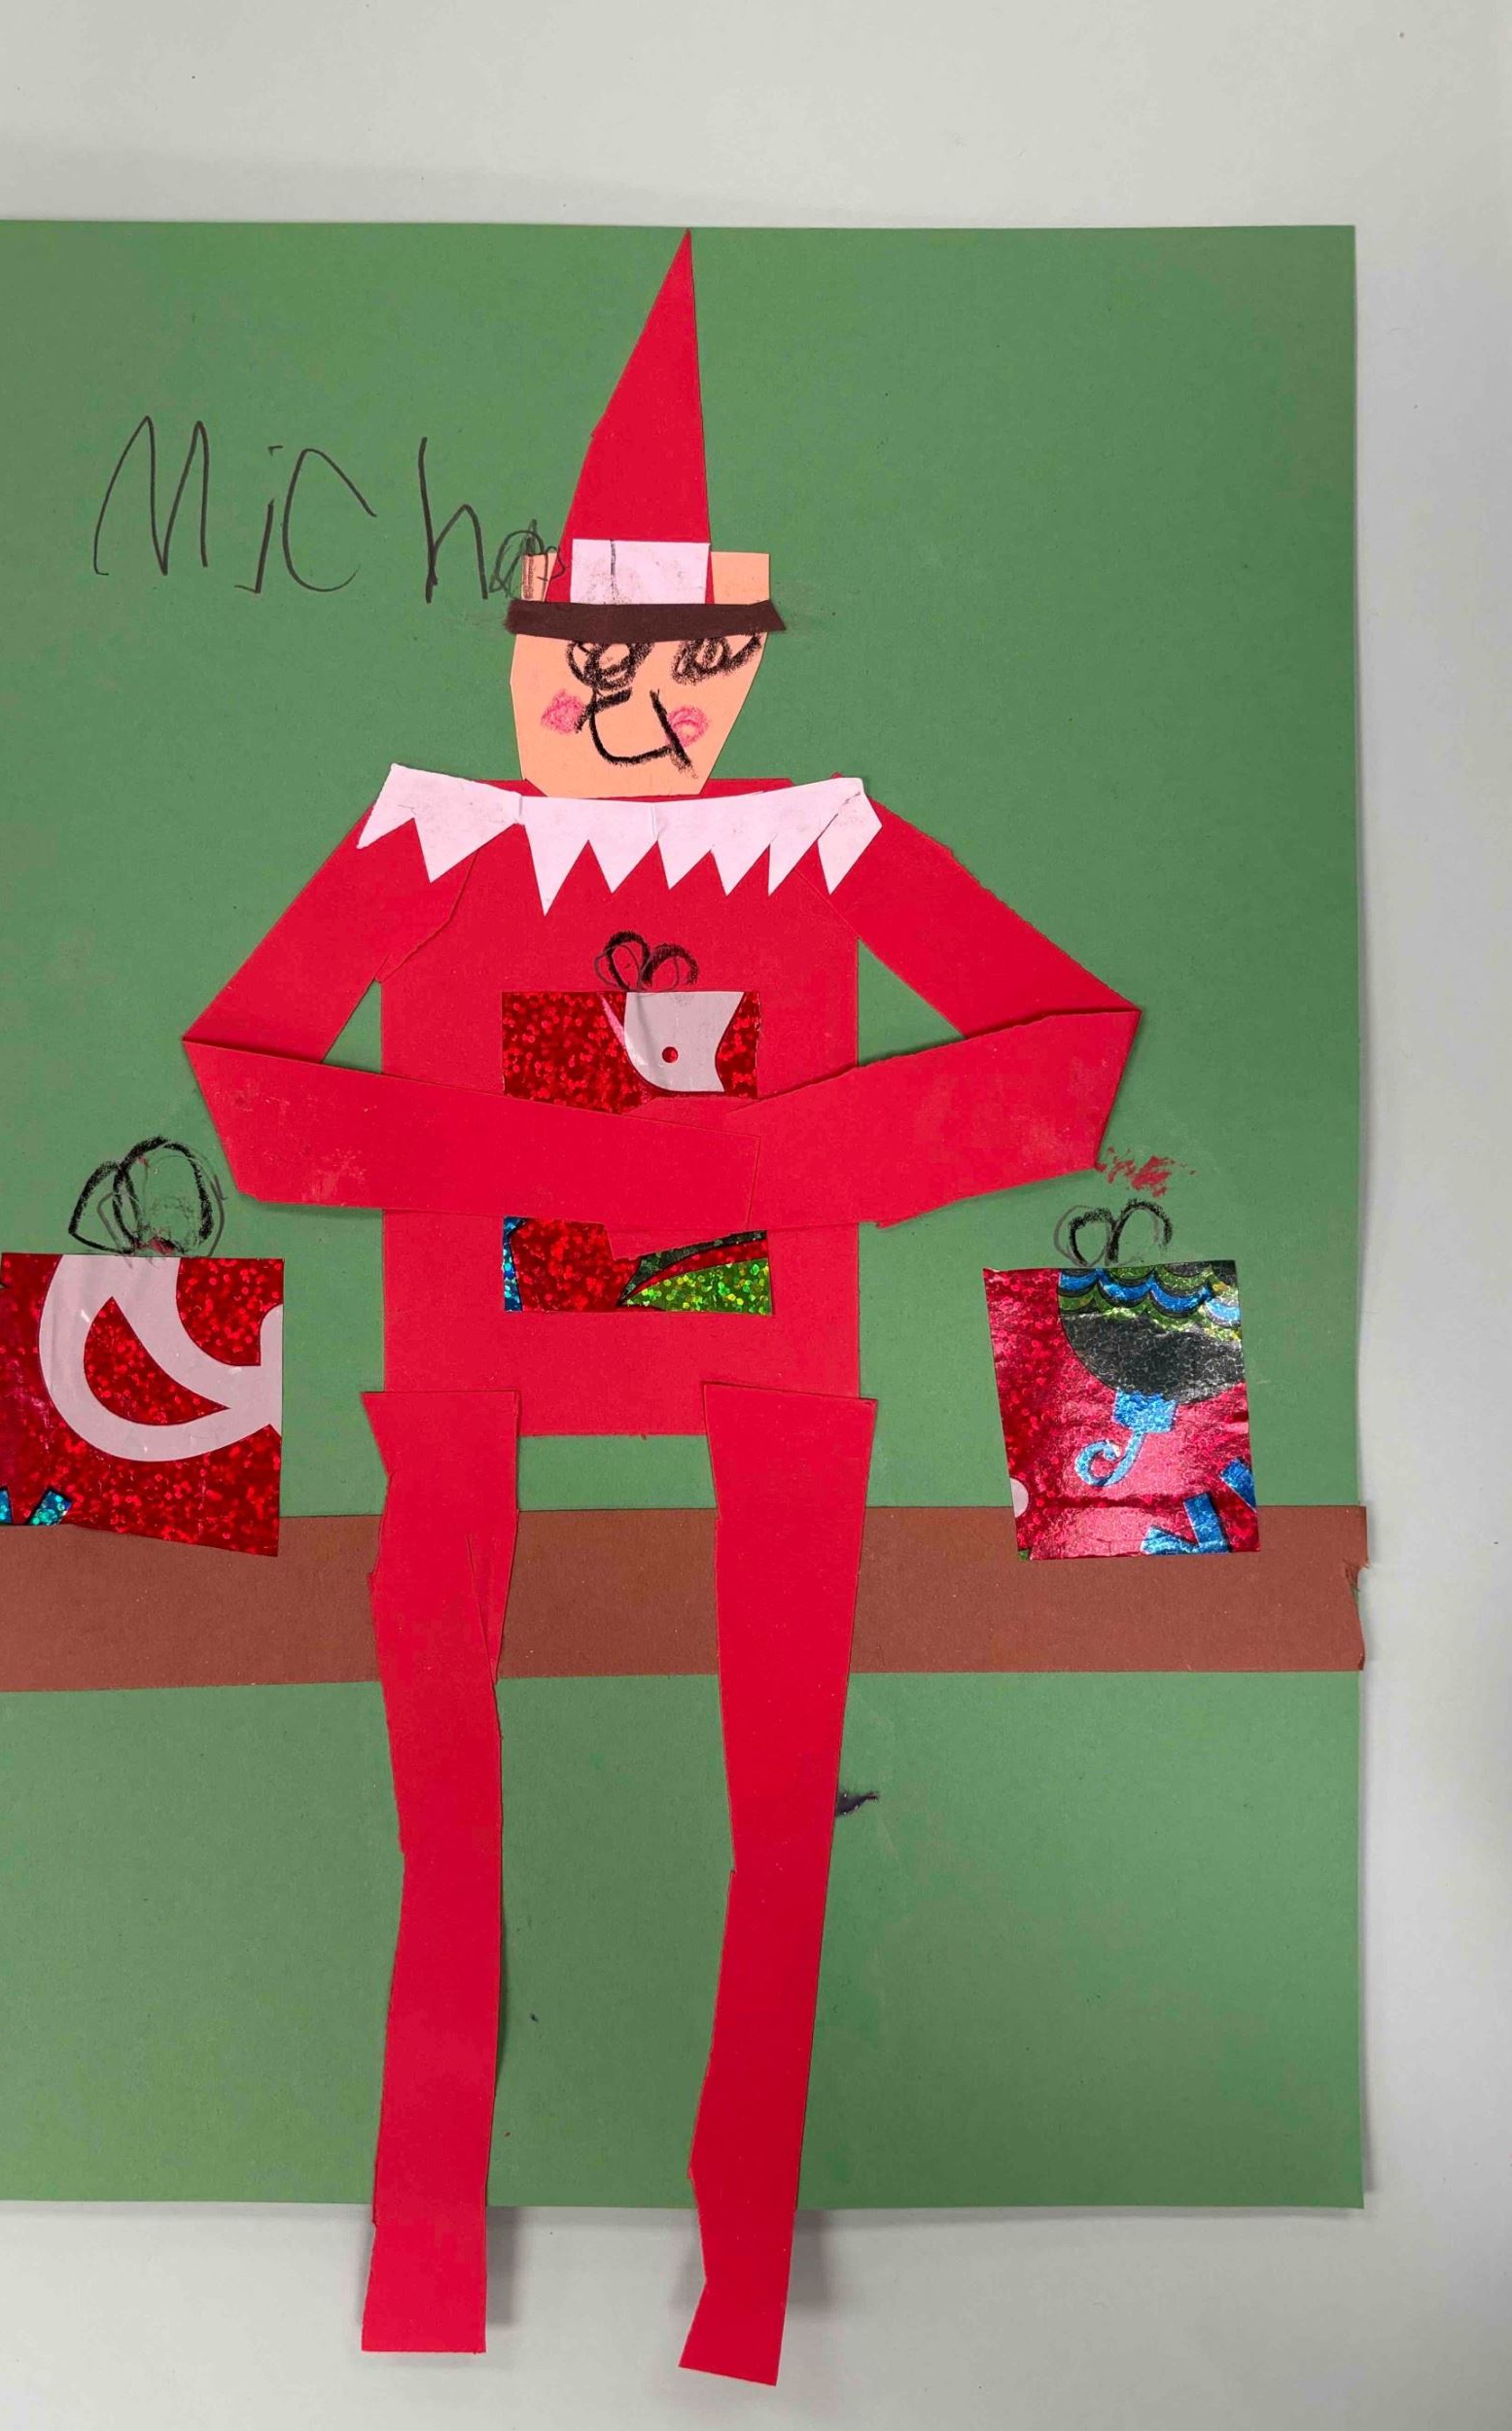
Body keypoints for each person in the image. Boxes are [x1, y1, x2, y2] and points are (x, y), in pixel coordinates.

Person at [186, 233, 1139, 2384]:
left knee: (783, 1798)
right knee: (443, 1785)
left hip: (775, 1357)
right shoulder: (428, 847)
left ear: (736, 672)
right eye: (591, 659)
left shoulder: (828, 847)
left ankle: (743, 2296)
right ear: (530, 650)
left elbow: (1067, 1052)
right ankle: (423, 2264)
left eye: (687, 664)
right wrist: (549, 1166)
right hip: (465, 1357)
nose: (632, 702)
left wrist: (779, 1165)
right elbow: (250, 1077)